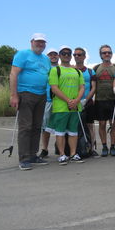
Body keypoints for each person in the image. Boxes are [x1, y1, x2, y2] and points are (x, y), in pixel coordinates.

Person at [9, 33, 51, 170]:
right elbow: (14, 74)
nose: (41, 44)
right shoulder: (22, 54)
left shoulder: (46, 59)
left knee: (37, 126)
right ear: (31, 42)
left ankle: (33, 154)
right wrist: (14, 95)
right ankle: (24, 158)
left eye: (43, 42)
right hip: (26, 93)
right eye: (38, 42)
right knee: (26, 127)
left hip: (41, 95)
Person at [46, 46, 85, 165]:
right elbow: (54, 88)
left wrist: (77, 100)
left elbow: (82, 87)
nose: (66, 55)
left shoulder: (77, 71)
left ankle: (73, 154)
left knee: (73, 132)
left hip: (75, 106)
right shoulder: (55, 70)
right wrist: (68, 100)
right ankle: (62, 154)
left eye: (69, 53)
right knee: (60, 132)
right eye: (64, 53)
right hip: (61, 107)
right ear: (60, 55)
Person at [93, 45, 115, 157]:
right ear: (100, 55)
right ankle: (104, 146)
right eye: (104, 53)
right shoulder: (96, 68)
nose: (107, 54)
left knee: (113, 124)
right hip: (100, 100)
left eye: (109, 52)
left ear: (111, 53)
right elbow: (92, 85)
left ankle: (113, 146)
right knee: (102, 124)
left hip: (113, 100)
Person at [74, 47, 99, 157]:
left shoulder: (90, 71)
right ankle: (75, 150)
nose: (77, 56)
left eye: (79, 55)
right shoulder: (70, 70)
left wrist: (85, 100)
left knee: (90, 126)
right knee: (74, 127)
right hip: (74, 103)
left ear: (84, 56)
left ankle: (92, 149)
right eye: (75, 55)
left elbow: (93, 88)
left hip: (87, 103)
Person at [39, 48, 59, 158]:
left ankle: (59, 147)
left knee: (59, 126)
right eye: (50, 55)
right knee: (45, 127)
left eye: (55, 54)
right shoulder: (44, 69)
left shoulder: (62, 68)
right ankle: (44, 149)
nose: (53, 56)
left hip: (59, 101)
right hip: (47, 100)